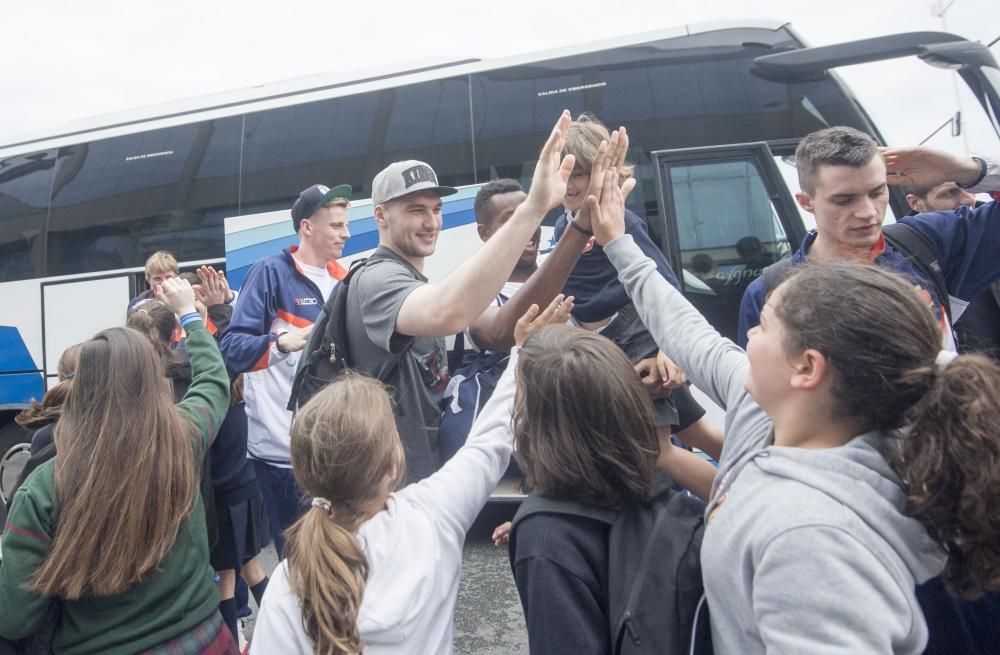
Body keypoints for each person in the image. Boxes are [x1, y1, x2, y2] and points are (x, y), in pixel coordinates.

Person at [588, 167, 1000, 654]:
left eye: (763, 325)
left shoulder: (809, 537)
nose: (748, 337)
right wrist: (617, 237)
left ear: (807, 367)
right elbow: (685, 329)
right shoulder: (761, 405)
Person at [250, 296, 572, 655]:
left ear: (304, 470)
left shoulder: (288, 582)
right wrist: (522, 352)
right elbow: (490, 441)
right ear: (394, 462)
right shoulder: (431, 516)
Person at [0, 277, 237, 653]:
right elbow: (213, 380)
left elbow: (15, 617)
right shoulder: (183, 438)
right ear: (154, 382)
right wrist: (189, 315)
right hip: (204, 638)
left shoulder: (43, 488)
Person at [344, 110, 577, 482]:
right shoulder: (378, 279)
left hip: (416, 477)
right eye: (416, 210)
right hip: (387, 488)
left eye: (436, 210)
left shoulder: (412, 280)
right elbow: (448, 312)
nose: (431, 222)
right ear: (380, 216)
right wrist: (533, 209)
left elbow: (490, 326)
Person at [737, 127, 1000, 349]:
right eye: (844, 199)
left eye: (876, 192)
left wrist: (970, 170)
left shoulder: (928, 243)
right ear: (806, 202)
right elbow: (758, 399)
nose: (867, 212)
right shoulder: (768, 292)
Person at [552, 113, 720, 456]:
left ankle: (753, 488)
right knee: (691, 433)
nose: (569, 183)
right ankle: (754, 470)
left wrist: (668, 348)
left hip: (634, 334)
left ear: (604, 173)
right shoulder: (562, 225)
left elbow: (664, 283)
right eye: (564, 172)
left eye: (580, 173)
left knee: (659, 451)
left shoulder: (620, 221)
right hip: (601, 343)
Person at [219, 182, 351, 554]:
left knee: (337, 557)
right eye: (337, 225)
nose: (347, 233)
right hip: (282, 453)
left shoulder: (345, 278)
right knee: (298, 562)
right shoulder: (270, 273)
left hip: (336, 446)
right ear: (307, 227)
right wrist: (281, 343)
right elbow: (231, 348)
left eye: (345, 224)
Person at [127, 298, 270, 641]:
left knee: (231, 577)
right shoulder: (195, 373)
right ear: (175, 332)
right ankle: (287, 635)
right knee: (244, 571)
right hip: (228, 489)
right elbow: (222, 358)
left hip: (202, 498)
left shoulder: (133, 387)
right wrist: (216, 309)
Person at [903, 180, 1000, 360]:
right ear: (915, 202)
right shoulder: (909, 264)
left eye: (971, 190)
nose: (968, 199)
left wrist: (979, 171)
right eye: (950, 193)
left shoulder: (989, 232)